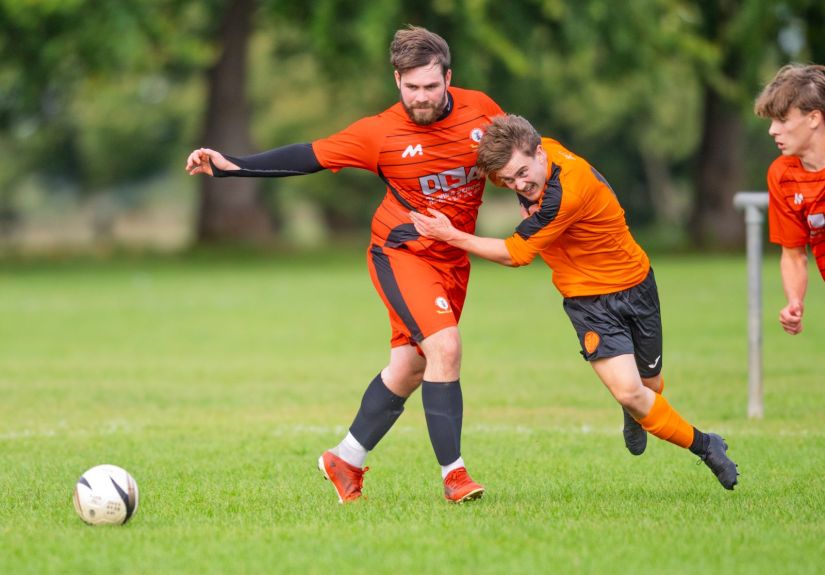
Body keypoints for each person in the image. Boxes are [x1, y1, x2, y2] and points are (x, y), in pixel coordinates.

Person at [186, 26, 504, 503]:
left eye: (430, 86)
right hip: (401, 253)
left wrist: (541, 199)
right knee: (446, 347)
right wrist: (232, 165)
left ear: (448, 78)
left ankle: (345, 458)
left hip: (453, 258)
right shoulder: (379, 133)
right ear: (396, 81)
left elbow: (521, 153)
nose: (421, 97)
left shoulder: (481, 110)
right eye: (411, 87)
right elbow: (309, 156)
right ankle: (454, 476)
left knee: (410, 367)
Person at [409, 114, 739, 490]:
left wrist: (450, 235)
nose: (519, 185)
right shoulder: (537, 153)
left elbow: (515, 254)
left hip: (637, 283)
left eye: (522, 174)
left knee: (649, 386)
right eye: (509, 181)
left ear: (538, 152)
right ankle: (707, 445)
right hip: (588, 300)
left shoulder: (567, 190)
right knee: (631, 391)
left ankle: (635, 410)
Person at [754, 63, 825, 335]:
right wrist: (795, 301)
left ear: (814, 118)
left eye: (783, 120)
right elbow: (794, 255)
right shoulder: (783, 174)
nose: (772, 130)